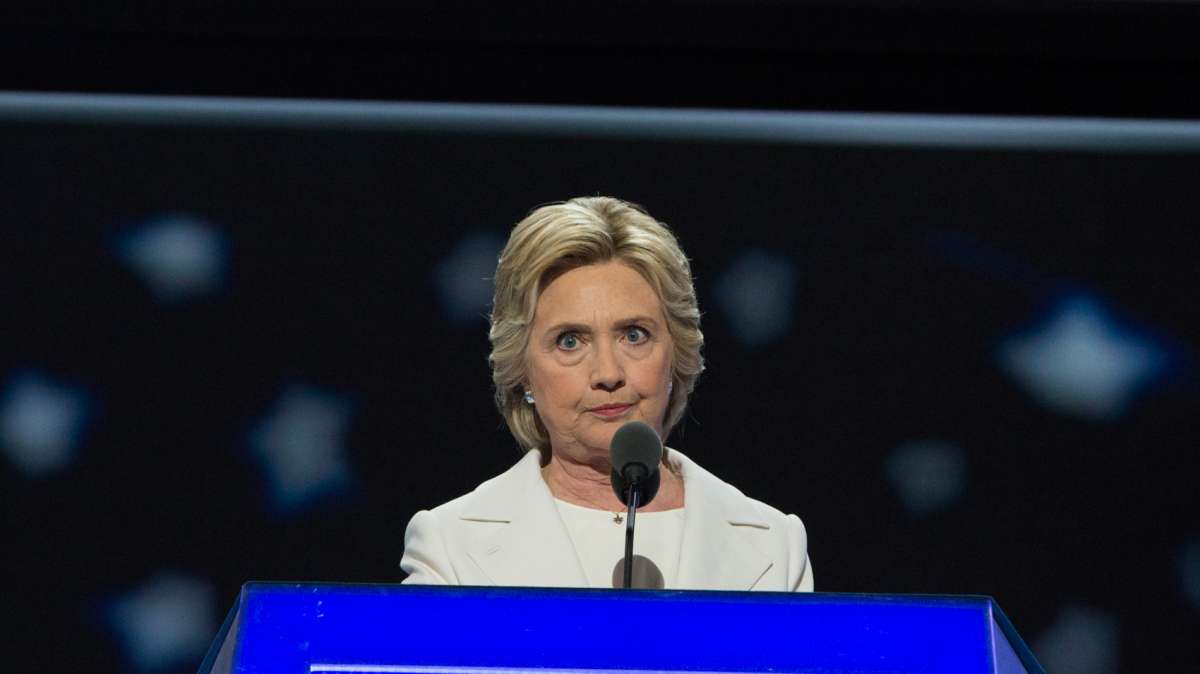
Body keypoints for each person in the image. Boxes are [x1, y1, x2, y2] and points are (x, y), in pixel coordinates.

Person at [401, 196, 813, 591]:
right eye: (569, 342)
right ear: (522, 370)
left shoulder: (776, 543)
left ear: (677, 352)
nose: (608, 374)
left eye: (634, 335)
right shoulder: (449, 546)